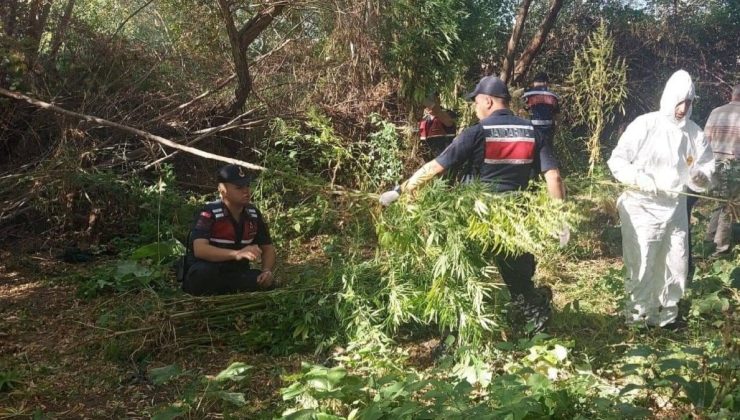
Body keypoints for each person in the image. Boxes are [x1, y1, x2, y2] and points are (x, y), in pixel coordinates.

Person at [380, 76, 566, 333]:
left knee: (462, 276)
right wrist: (559, 218)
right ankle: (536, 324)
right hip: (516, 218)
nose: (474, 108)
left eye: (476, 102)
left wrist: (400, 191)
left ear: (488, 101)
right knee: (519, 279)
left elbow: (435, 168)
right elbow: (553, 176)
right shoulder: (532, 132)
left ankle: (458, 334)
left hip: (475, 218)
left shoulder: (477, 133)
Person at [607, 70, 714, 329]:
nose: (684, 108)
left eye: (689, 102)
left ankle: (667, 317)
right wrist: (638, 178)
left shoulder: (694, 133)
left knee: (676, 262)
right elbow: (617, 160)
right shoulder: (646, 124)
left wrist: (701, 177)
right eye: (680, 101)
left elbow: (706, 166)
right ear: (669, 99)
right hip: (642, 206)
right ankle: (639, 318)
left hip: (675, 207)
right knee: (642, 262)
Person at [182, 164, 276, 296]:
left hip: (236, 274)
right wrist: (236, 254)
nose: (246, 191)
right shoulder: (208, 213)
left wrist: (267, 271)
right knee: (203, 273)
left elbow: (268, 248)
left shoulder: (253, 214)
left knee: (264, 282)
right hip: (209, 272)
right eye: (239, 187)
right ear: (222, 190)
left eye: (247, 185)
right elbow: (200, 249)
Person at [703, 84, 739, 256]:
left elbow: (705, 139)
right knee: (728, 206)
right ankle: (721, 248)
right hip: (733, 165)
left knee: (720, 202)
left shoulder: (716, 112)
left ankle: (709, 240)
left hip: (715, 163)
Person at [522, 72, 560, 148]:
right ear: (546, 83)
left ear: (534, 82)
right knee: (547, 151)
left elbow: (521, 112)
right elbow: (557, 116)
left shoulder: (526, 95)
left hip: (530, 129)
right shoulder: (553, 96)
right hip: (548, 130)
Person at [418, 92, 457, 161]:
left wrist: (432, 106)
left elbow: (449, 122)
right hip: (429, 164)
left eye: (431, 99)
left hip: (446, 160)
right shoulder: (424, 120)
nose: (428, 105)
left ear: (438, 99)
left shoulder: (448, 114)